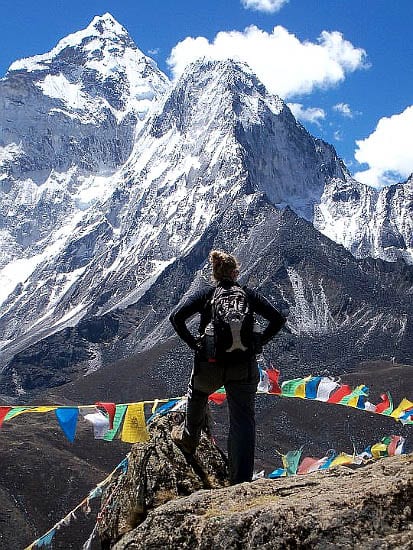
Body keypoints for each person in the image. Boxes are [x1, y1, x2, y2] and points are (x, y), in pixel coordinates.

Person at [169, 250, 286, 484]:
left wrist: (195, 344)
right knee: (242, 420)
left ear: (215, 274)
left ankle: (189, 438)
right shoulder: (248, 295)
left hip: (210, 364)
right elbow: (278, 319)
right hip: (243, 367)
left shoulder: (207, 295)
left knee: (197, 393)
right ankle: (240, 480)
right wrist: (259, 341)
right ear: (235, 273)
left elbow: (176, 317)